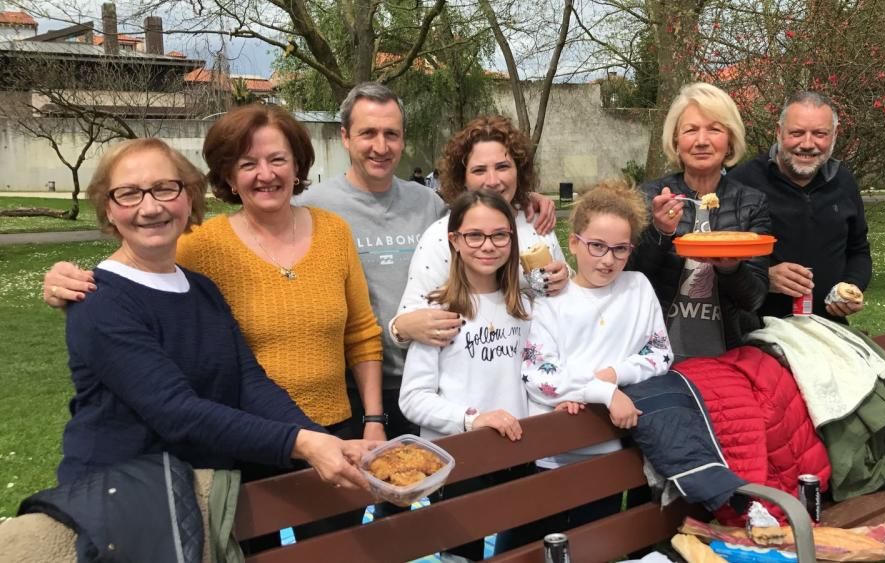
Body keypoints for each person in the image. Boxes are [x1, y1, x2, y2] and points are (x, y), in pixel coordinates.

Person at [55, 137, 374, 488]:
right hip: (127, 503)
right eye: (128, 193)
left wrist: (319, 439)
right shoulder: (100, 300)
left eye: (164, 188)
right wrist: (303, 444)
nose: (149, 207)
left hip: (208, 494)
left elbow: (249, 381)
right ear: (109, 209)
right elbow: (175, 410)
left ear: (189, 196)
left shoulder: (200, 289)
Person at [294, 84, 556, 448]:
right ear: (345, 137)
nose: (380, 146)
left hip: (431, 382)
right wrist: (401, 326)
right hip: (350, 385)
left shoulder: (428, 205)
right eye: (368, 133)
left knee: (415, 496)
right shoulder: (311, 208)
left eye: (391, 134)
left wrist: (526, 201)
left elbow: (486, 221)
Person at [521, 179, 673, 532]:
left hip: (609, 451)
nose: (608, 260)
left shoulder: (638, 288)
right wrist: (602, 393)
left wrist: (612, 376)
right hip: (552, 452)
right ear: (573, 243)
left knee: (594, 542)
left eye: (620, 249)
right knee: (534, 545)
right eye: (597, 246)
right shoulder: (551, 300)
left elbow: (660, 353)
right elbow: (538, 375)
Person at [399, 190, 533, 560]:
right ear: (454, 240)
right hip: (460, 461)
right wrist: (471, 419)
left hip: (522, 455)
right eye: (474, 235)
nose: (487, 246)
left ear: (512, 238)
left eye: (499, 235)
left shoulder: (527, 305)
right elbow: (412, 399)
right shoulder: (438, 312)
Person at [392, 115, 569, 348]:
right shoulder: (441, 236)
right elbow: (408, 320)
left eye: (503, 166)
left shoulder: (537, 225)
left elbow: (567, 302)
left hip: (538, 371)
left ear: (519, 170)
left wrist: (566, 276)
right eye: (479, 170)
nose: (493, 180)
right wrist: (401, 328)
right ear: (462, 178)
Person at [628, 82, 770, 363]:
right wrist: (660, 232)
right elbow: (628, 278)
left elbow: (754, 299)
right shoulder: (648, 197)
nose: (702, 140)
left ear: (730, 140)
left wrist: (731, 267)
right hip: (655, 355)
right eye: (691, 130)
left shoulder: (752, 203)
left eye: (714, 129)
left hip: (729, 353)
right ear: (676, 141)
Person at [727, 91, 871, 322]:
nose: (807, 144)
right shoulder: (742, 183)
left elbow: (859, 251)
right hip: (757, 330)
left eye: (819, 134)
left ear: (834, 135)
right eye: (796, 133)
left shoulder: (844, 183)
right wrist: (763, 277)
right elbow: (720, 261)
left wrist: (852, 286)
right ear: (778, 132)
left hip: (828, 328)